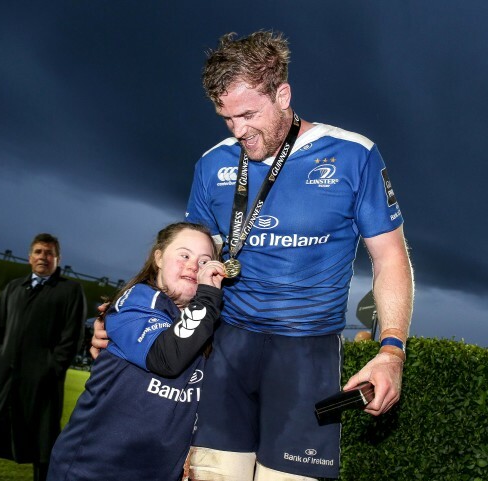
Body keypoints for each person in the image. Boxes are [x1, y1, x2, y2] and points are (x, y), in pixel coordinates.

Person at [92, 30, 414, 481]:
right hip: (226, 348)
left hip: (307, 354)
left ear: (282, 94)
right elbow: (189, 267)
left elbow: (391, 259)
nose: (240, 131)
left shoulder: (353, 155)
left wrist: (391, 351)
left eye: (248, 114)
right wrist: (128, 327)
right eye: (227, 118)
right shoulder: (211, 165)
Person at [48, 222, 225, 481]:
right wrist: (208, 298)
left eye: (204, 261)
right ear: (159, 258)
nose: (193, 266)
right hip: (91, 470)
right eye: (184, 255)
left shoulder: (211, 325)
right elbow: (166, 358)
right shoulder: (138, 300)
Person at [0, 233, 86, 481]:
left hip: (42, 381)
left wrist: (51, 369)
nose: (42, 257)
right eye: (38, 252)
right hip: (3, 376)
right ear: (29, 257)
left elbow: (72, 337)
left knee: (43, 448)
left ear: (58, 258)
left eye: (48, 253)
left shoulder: (70, 290)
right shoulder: (14, 287)